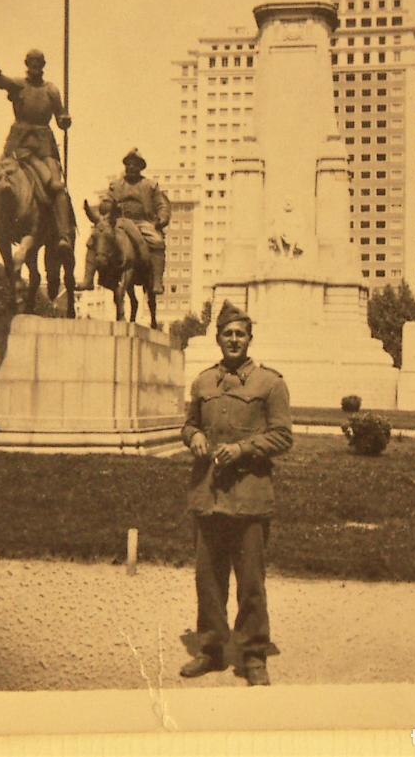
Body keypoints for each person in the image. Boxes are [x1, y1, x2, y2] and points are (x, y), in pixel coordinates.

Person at [180, 300, 293, 686]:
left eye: (240, 334)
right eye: (227, 333)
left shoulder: (271, 383)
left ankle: (253, 655)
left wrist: (243, 449)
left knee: (250, 582)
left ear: (249, 338)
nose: (233, 339)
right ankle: (211, 649)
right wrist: (193, 436)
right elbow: (189, 425)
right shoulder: (202, 381)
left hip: (249, 496)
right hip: (208, 496)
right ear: (218, 338)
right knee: (208, 579)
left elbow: (282, 436)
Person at [0, 22, 73, 257]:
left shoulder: (51, 90)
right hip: (17, 144)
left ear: (43, 66)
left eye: (39, 63)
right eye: (31, 63)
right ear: (27, 65)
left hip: (43, 147)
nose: (34, 67)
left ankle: (63, 234)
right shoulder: (18, 85)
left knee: (56, 186)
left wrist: (64, 120)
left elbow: (60, 114)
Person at [96, 148, 170, 294]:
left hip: (142, 222)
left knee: (157, 241)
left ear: (140, 167)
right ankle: (93, 276)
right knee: (98, 236)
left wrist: (161, 218)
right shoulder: (116, 185)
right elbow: (105, 202)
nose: (131, 167)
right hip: (119, 221)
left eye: (134, 164)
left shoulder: (150, 185)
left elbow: (161, 204)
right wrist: (108, 205)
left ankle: (156, 280)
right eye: (128, 164)